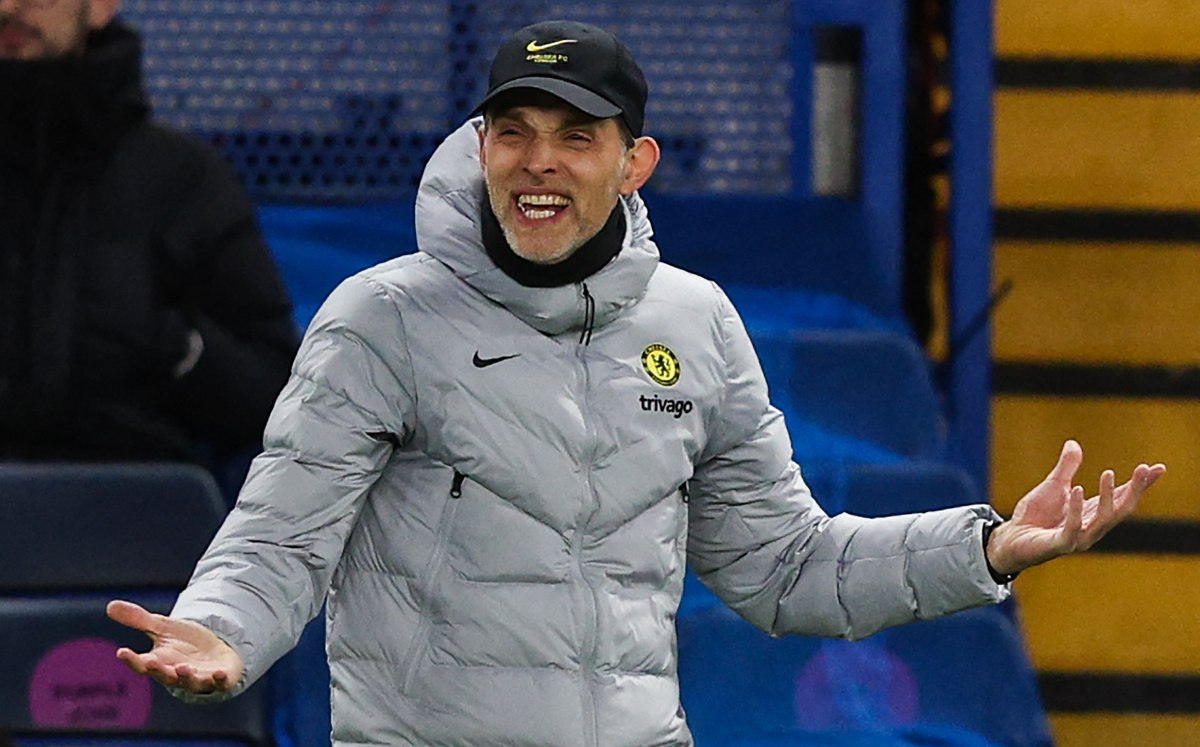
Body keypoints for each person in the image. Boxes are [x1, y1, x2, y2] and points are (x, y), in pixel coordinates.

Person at [107, 20, 1166, 747]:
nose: (539, 162)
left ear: (634, 164)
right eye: (514, 133)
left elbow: (787, 567)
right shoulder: (380, 317)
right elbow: (280, 534)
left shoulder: (696, 323)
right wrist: (224, 629)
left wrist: (987, 548)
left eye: (576, 137)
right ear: (480, 148)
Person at [0, 0, 298, 465]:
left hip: (132, 499)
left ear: (100, 6)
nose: (7, 7)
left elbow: (277, 402)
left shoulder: (180, 179)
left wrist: (176, 346)